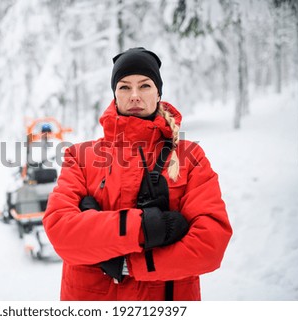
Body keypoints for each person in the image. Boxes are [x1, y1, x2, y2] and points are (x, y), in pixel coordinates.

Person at [43, 47, 233, 301]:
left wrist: (128, 264)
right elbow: (62, 233)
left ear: (158, 93)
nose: (134, 96)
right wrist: (147, 228)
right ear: (114, 95)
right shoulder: (81, 157)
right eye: (124, 87)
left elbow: (210, 244)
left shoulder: (190, 157)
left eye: (144, 86)